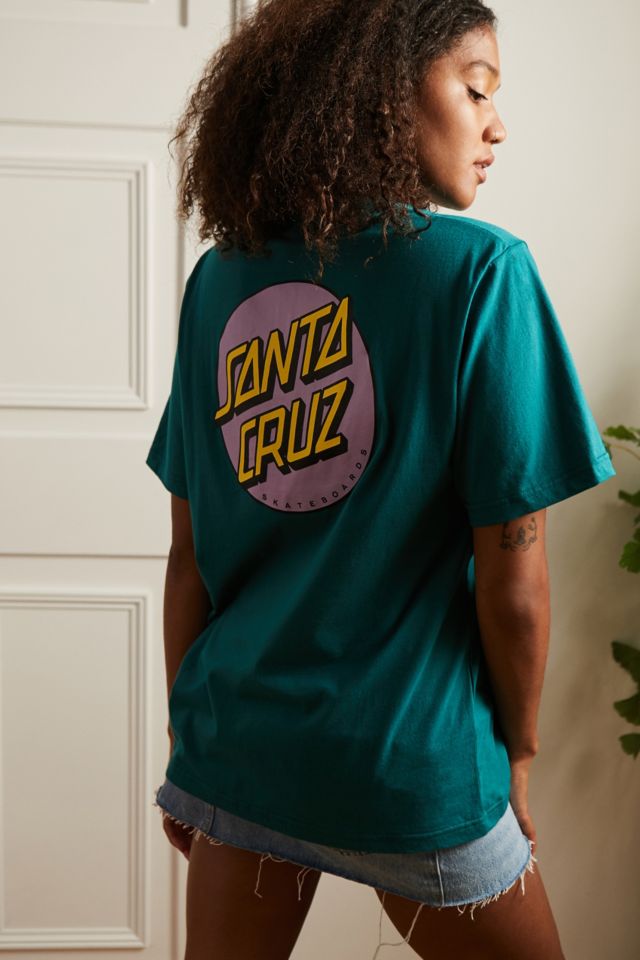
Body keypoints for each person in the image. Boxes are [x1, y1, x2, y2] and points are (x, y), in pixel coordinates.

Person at [146, 2, 616, 958]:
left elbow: (188, 560)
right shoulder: (482, 274)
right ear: (381, 93)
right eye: (477, 90)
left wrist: (190, 744)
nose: (497, 125)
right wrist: (520, 756)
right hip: (414, 764)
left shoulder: (221, 279)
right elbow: (514, 584)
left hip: (242, 747)